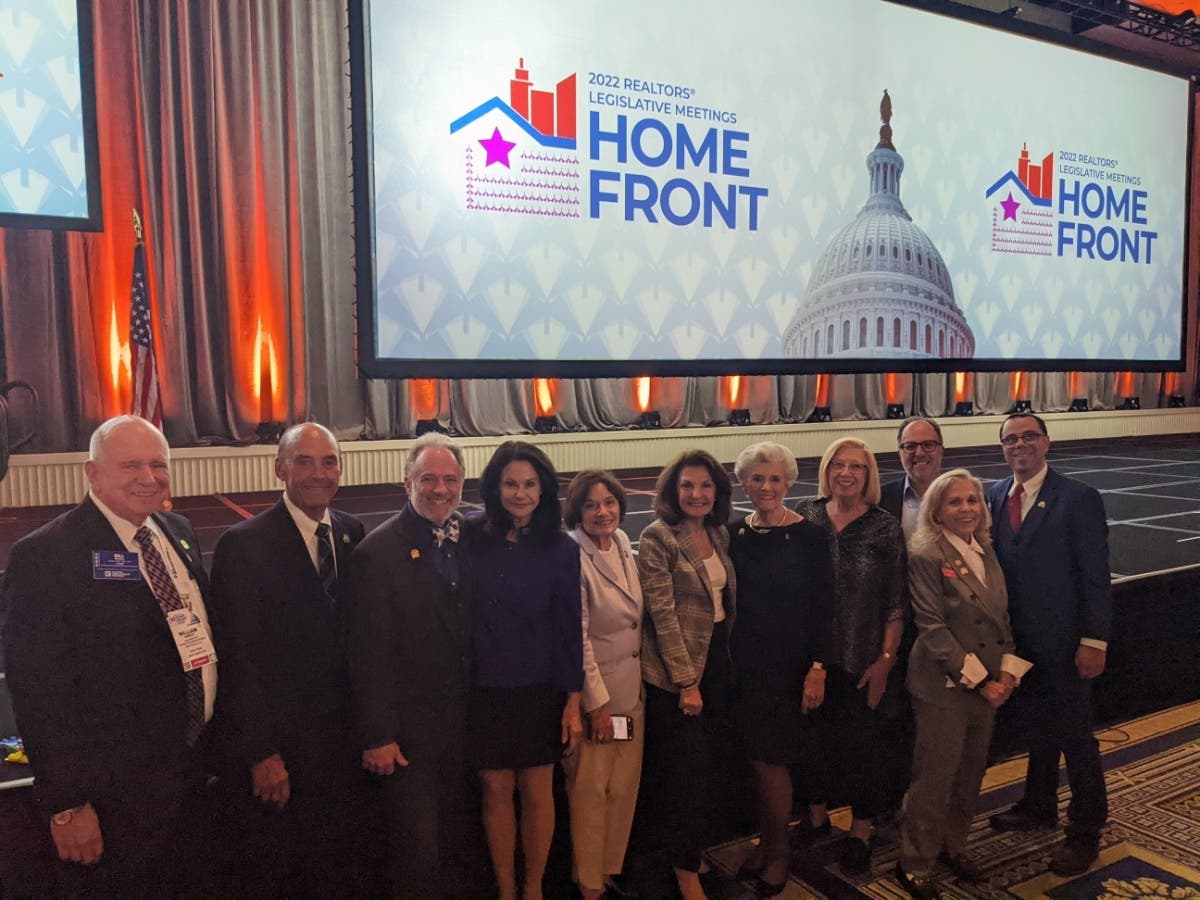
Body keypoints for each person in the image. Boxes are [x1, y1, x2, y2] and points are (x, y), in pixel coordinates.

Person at [1, 415, 219, 898]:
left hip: (192, 777)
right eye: (130, 466)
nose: (149, 478)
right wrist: (67, 804)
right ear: (92, 473)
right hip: (113, 796)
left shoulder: (176, 530)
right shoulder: (47, 555)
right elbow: (38, 689)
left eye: (158, 465)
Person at [208, 422, 369, 897]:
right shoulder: (244, 544)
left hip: (344, 741)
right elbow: (238, 660)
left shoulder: (350, 531)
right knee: (290, 869)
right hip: (286, 750)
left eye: (329, 461)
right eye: (304, 461)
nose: (319, 473)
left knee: (343, 862)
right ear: (280, 469)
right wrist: (261, 752)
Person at [344, 431, 475, 899]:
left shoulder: (469, 538)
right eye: (428, 479)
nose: (440, 489)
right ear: (407, 484)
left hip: (462, 726)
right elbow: (366, 653)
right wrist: (377, 734)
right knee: (415, 852)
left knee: (456, 842)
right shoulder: (377, 554)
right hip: (408, 736)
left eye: (451, 479)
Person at [986, 413, 1112, 877]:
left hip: (1065, 644)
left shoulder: (1079, 498)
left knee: (1076, 739)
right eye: (1011, 438)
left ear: (1046, 443)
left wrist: (1094, 639)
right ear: (1002, 447)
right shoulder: (996, 494)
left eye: (1029, 436)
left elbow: (1095, 574)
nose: (1020, 444)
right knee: (1038, 729)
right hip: (1018, 646)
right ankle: (1038, 805)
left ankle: (1085, 831)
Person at [895, 469, 1028, 899]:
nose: (967, 508)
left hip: (989, 683)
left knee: (970, 774)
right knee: (934, 778)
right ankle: (915, 861)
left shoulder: (985, 550)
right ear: (936, 510)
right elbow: (931, 629)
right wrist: (981, 682)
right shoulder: (927, 554)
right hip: (945, 686)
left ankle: (953, 846)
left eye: (973, 500)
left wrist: (1008, 673)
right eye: (955, 501)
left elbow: (1003, 619)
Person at [465, 441, 583, 900]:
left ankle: (533, 889)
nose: (520, 493)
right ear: (495, 487)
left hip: (539, 689)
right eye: (511, 483)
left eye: (530, 484)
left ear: (544, 489)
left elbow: (569, 626)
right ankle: (505, 890)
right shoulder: (471, 536)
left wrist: (573, 699)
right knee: (495, 791)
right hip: (485, 687)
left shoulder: (559, 547)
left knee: (538, 792)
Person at [794, 437, 907, 877]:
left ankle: (861, 831)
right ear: (825, 470)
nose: (846, 473)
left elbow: (897, 602)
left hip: (863, 662)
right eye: (838, 465)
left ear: (868, 475)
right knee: (813, 744)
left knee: (863, 750)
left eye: (856, 467)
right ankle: (817, 817)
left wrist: (885, 660)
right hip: (809, 661)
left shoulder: (884, 527)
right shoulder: (806, 516)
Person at [728, 442, 834, 897]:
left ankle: (779, 853)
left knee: (773, 763)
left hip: (791, 669)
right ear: (744, 483)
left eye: (774, 479)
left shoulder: (810, 535)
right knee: (755, 761)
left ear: (789, 483)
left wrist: (818, 667)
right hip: (745, 668)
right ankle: (767, 842)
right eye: (757, 478)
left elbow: (825, 606)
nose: (766, 487)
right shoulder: (735, 534)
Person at [637, 449, 738, 900]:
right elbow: (662, 615)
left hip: (716, 662)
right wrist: (687, 682)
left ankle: (691, 855)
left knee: (705, 772)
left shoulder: (717, 532)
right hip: (677, 675)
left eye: (705, 486)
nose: (696, 494)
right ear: (672, 492)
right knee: (682, 777)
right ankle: (684, 873)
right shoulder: (659, 536)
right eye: (687, 486)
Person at [562, 470, 645, 900]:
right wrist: (595, 706)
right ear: (577, 511)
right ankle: (589, 883)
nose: (602, 512)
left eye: (609, 502)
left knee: (621, 788)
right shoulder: (572, 557)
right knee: (591, 793)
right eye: (591, 505)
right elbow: (576, 638)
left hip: (633, 695)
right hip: (600, 699)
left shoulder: (625, 545)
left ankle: (608, 870)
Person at [880, 417, 945, 541]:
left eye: (928, 445)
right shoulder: (880, 500)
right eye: (910, 446)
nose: (919, 453)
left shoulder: (967, 498)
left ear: (941, 450)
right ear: (899, 454)